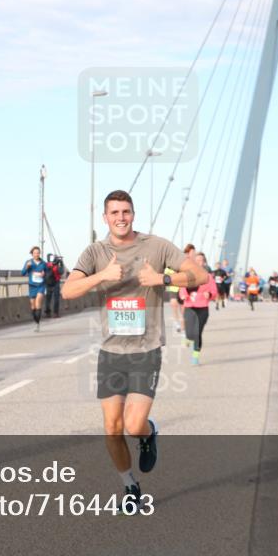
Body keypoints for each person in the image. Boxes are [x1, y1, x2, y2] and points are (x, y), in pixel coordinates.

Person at [62, 190, 207, 514]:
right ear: (105, 217)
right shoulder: (95, 252)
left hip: (146, 349)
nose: (120, 218)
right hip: (111, 351)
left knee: (133, 424)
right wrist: (102, 276)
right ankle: (130, 485)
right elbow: (68, 290)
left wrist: (163, 277)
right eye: (114, 213)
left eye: (125, 211)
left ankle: (149, 433)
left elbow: (201, 276)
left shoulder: (156, 246)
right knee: (112, 428)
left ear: (133, 214)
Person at [180, 252, 218, 365]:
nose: (199, 262)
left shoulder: (208, 276)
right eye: (197, 260)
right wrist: (183, 295)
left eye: (201, 260)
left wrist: (210, 295)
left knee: (197, 332)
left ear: (204, 262)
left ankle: (195, 356)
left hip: (203, 308)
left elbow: (214, 291)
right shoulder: (187, 274)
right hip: (189, 306)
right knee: (190, 333)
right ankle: (187, 337)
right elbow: (182, 287)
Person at [21, 246, 48, 332]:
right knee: (33, 306)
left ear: (39, 253)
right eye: (35, 253)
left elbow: (48, 273)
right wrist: (27, 267)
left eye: (38, 253)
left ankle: (38, 324)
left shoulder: (43, 263)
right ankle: (36, 321)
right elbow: (22, 273)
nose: (36, 254)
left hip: (41, 285)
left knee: (38, 302)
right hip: (32, 286)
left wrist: (44, 274)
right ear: (32, 254)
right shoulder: (29, 262)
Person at [43, 254, 66, 318]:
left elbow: (61, 272)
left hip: (54, 283)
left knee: (54, 298)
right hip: (50, 283)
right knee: (50, 298)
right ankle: (50, 313)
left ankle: (54, 313)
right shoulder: (48, 264)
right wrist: (60, 263)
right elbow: (61, 271)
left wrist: (61, 263)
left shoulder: (56, 266)